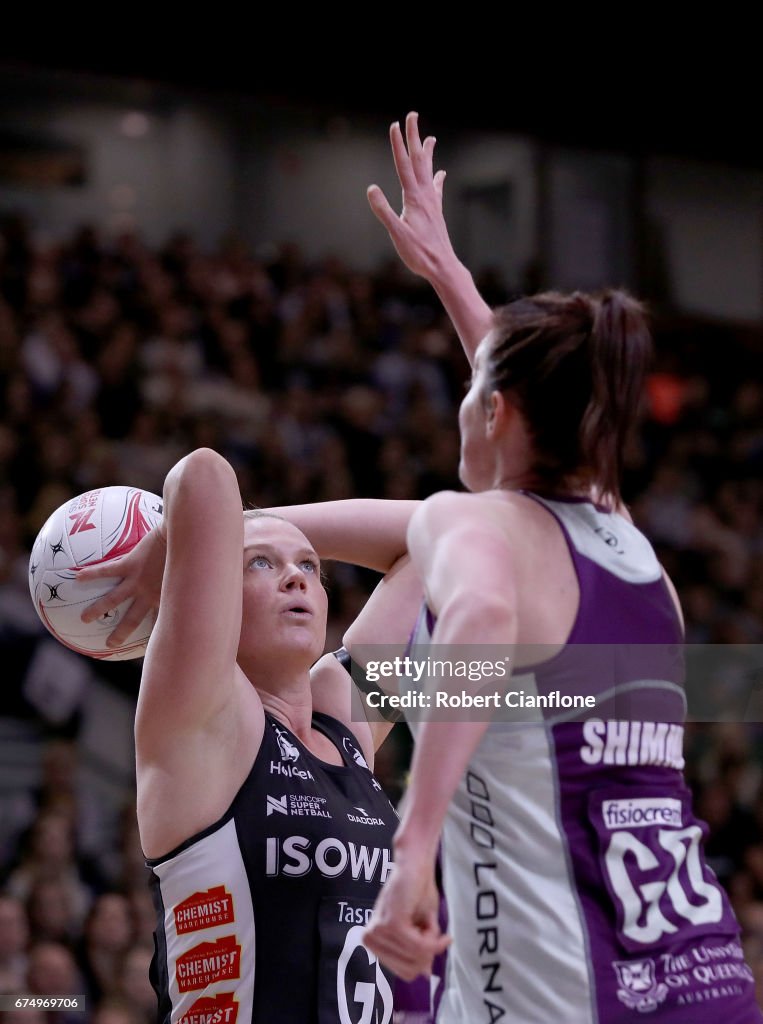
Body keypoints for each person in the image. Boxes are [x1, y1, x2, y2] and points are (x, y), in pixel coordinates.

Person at [359, 113, 762, 1022]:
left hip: (569, 988)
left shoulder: (483, 525)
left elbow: (482, 621)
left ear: (493, 412)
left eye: (472, 396)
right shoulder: (625, 544)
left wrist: (413, 845)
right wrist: (453, 279)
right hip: (699, 974)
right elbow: (535, 398)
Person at [76, 449, 427, 1023]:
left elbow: (443, 539)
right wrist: (179, 544)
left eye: (310, 567)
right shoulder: (202, 719)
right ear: (208, 588)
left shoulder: (345, 725)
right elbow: (204, 476)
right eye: (259, 563)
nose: (296, 576)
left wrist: (266, 528)